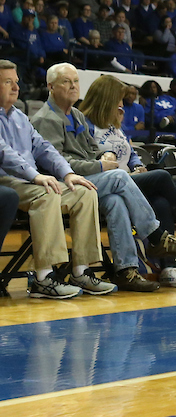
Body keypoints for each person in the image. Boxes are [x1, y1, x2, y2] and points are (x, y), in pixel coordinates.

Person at [32, 63, 176, 291]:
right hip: (62, 184)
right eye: (66, 82)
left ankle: (126, 270)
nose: (73, 86)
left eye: (76, 81)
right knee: (119, 176)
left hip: (86, 181)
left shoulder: (76, 115)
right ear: (51, 86)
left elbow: (92, 148)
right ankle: (156, 236)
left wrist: (105, 154)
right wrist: (99, 165)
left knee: (115, 201)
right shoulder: (46, 119)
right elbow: (56, 163)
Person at [78, 73, 176, 286]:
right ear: (106, 99)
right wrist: (105, 161)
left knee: (161, 202)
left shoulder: (114, 124)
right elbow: (86, 157)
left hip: (129, 181)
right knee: (162, 177)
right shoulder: (86, 124)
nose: (122, 105)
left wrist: (137, 166)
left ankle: (168, 268)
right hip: (110, 182)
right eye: (118, 100)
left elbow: (130, 152)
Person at [0, 60, 113, 299]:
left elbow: (44, 148)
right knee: (47, 193)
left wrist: (68, 173)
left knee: (85, 192)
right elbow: (4, 154)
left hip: (29, 180)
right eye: (8, 82)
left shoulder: (20, 117)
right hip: (6, 181)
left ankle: (81, 271)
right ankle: (43, 278)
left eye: (16, 82)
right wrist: (36, 175)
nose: (16, 88)